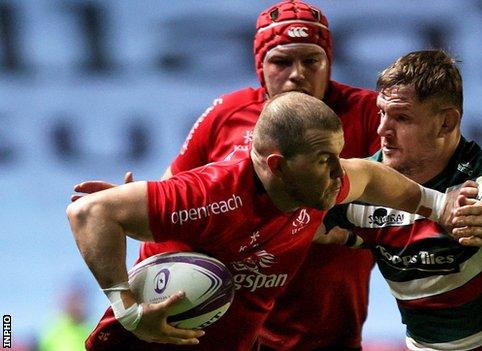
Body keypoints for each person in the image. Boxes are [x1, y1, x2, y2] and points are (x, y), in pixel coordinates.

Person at [74, 1, 381, 349]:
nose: (297, 74)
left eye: (311, 60)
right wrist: (140, 203)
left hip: (321, 319)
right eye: (281, 61)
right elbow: (175, 186)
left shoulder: (369, 114)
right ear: (260, 66)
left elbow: (395, 203)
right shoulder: (226, 112)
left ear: (328, 62)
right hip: (227, 316)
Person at [67, 92, 478, 350]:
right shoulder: (213, 194)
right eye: (324, 159)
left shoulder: (317, 184)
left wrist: (440, 206)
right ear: (278, 165)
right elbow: (88, 211)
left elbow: (371, 176)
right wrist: (129, 310)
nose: (339, 172)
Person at [321, 50, 482, 350]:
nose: (383, 130)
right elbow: (303, 220)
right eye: (382, 112)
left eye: (402, 118)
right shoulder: (368, 183)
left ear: (446, 123)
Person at [39, 283, 92, 351]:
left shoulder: (94, 329)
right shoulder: (52, 328)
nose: (76, 306)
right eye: (73, 301)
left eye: (79, 302)